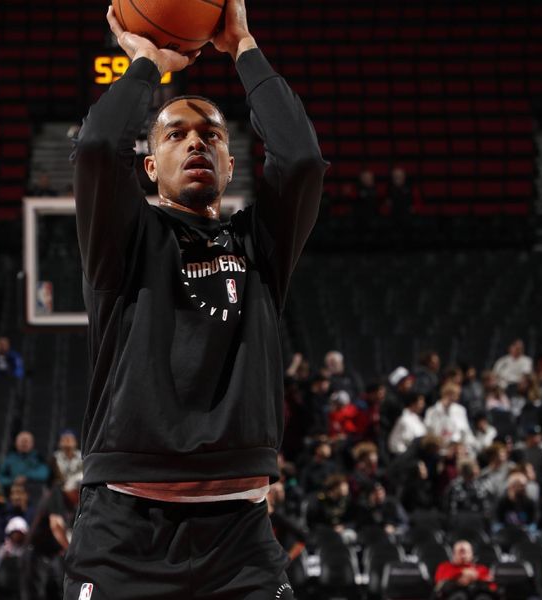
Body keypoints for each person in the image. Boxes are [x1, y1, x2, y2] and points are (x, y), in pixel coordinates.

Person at [66, 0, 327, 596]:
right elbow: (99, 149)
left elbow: (303, 160)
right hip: (124, 532)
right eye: (176, 134)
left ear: (231, 163)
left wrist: (243, 46)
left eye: (211, 134)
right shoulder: (123, 239)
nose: (195, 143)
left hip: (239, 536)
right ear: (151, 166)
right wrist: (148, 65)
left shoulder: (260, 244)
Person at [424, 382, 476, 448]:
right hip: (437, 446)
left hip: (456, 446)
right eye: (455, 395)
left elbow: (464, 430)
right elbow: (429, 430)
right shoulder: (432, 411)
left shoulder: (460, 410)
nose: (457, 398)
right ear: (446, 394)